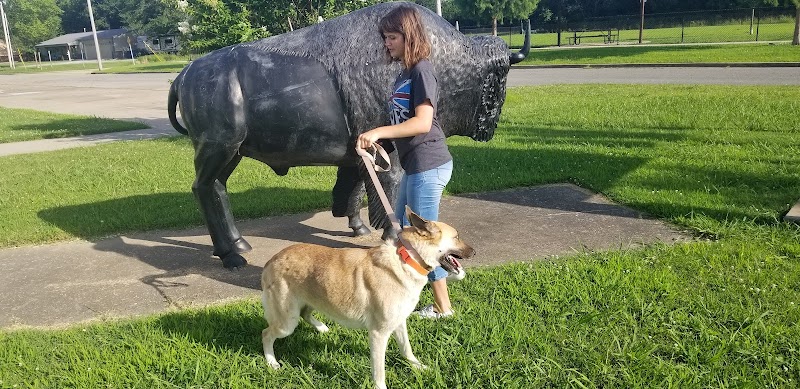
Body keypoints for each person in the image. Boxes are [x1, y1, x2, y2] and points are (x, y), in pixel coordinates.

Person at [357, 5, 463, 319]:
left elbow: (422, 123)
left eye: (392, 36)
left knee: (422, 242)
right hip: (415, 165)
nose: (386, 43)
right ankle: (405, 291)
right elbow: (402, 123)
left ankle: (443, 308)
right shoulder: (405, 72)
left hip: (429, 163)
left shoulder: (421, 70)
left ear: (409, 35)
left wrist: (377, 131)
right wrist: (379, 142)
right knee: (404, 232)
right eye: (385, 37)